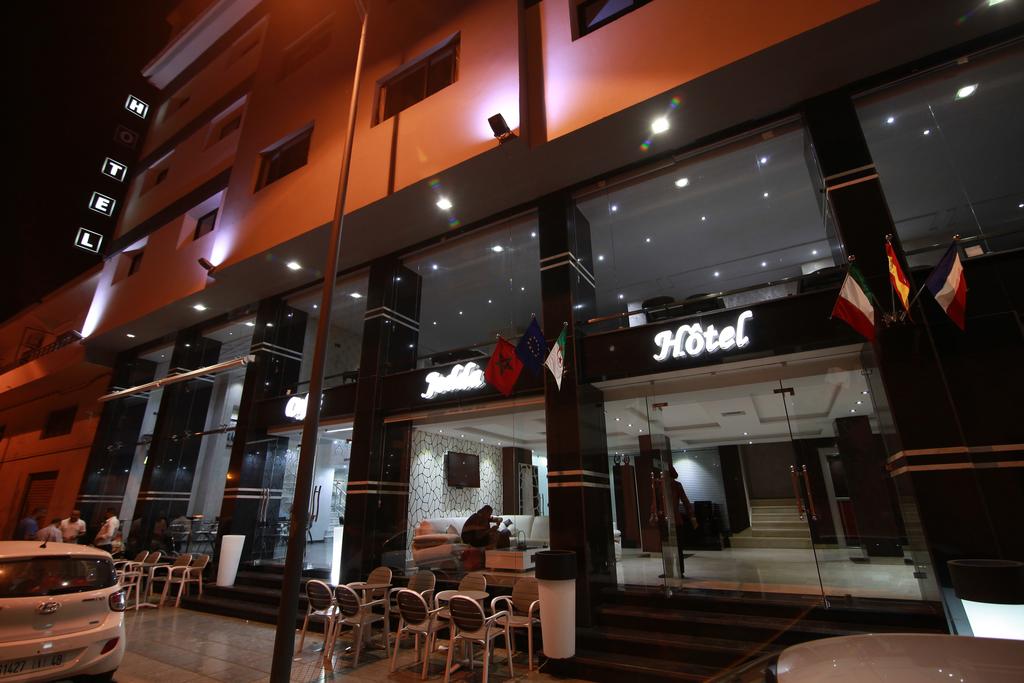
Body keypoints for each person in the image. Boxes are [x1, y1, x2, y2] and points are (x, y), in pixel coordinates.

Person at [650, 466, 697, 577]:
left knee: (678, 547)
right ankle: (669, 571)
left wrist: (692, 517)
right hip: (664, 520)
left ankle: (680, 572)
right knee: (666, 547)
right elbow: (655, 501)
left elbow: (685, 501)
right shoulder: (659, 485)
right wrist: (653, 514)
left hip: (676, 521)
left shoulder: (676, 485)